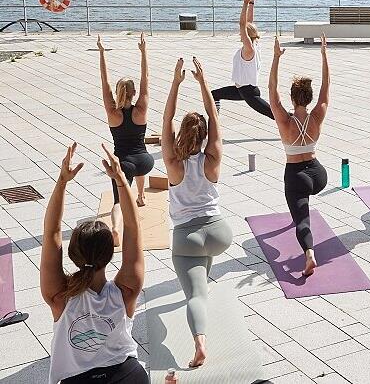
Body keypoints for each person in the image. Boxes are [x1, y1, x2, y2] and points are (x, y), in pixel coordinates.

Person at [42, 143, 147, 384]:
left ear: (72, 254)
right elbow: (133, 228)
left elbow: (51, 234)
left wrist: (62, 181)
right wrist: (120, 179)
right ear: (110, 253)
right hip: (128, 376)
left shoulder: (59, 295)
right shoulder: (125, 292)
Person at [163, 57, 233, 368]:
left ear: (181, 135)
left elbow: (166, 120)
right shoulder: (213, 156)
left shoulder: (173, 163)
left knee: (196, 298)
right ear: (203, 136)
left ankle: (200, 344)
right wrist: (203, 82)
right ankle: (200, 282)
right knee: (200, 275)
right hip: (219, 232)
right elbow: (213, 114)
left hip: (187, 236)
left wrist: (176, 84)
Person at [268, 34, 329, 277]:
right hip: (319, 175)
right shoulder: (317, 115)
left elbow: (271, 90)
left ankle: (310, 254)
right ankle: (309, 254)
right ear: (309, 98)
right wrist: (324, 55)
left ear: (293, 99)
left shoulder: (284, 120)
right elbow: (327, 86)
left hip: (296, 176)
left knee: (302, 221)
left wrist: (275, 58)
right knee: (304, 203)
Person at [97, 33, 155, 247]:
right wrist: (143, 52)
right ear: (134, 93)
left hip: (123, 164)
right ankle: (141, 196)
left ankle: (114, 228)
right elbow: (146, 78)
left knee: (119, 201)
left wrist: (102, 53)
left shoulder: (113, 112)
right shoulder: (141, 109)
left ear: (119, 93)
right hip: (145, 162)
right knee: (139, 169)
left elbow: (105, 83)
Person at [211, 0, 274, 120]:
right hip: (241, 90)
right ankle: (214, 121)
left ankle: (298, 124)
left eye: (242, 32)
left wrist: (245, 3)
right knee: (214, 94)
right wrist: (251, 3)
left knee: (275, 115)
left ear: (246, 34)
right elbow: (249, 23)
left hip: (249, 93)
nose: (240, 33)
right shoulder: (254, 43)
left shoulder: (249, 49)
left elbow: (242, 24)